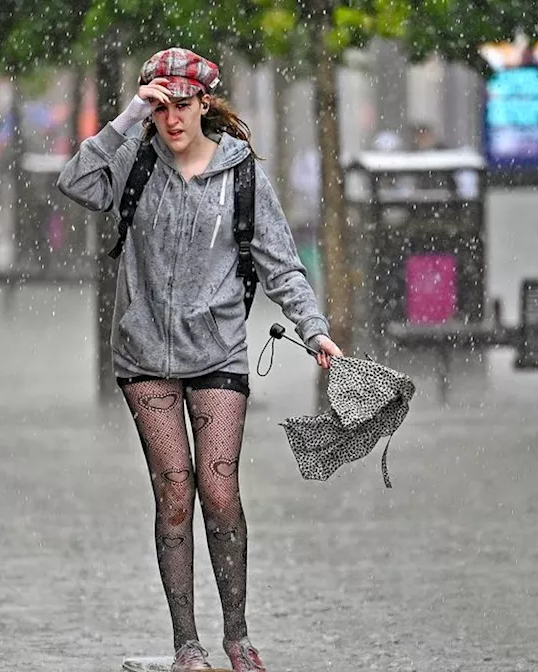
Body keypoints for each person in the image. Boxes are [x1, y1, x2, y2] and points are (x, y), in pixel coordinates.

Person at [56, 47, 342, 672]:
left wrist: (314, 330)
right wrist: (132, 113)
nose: (172, 119)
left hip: (218, 352)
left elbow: (281, 265)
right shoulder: (132, 161)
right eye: (161, 108)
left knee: (218, 488)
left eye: (181, 106)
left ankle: (237, 636)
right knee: (174, 494)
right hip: (145, 356)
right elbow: (74, 181)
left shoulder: (243, 176)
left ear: (205, 104)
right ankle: (188, 645)